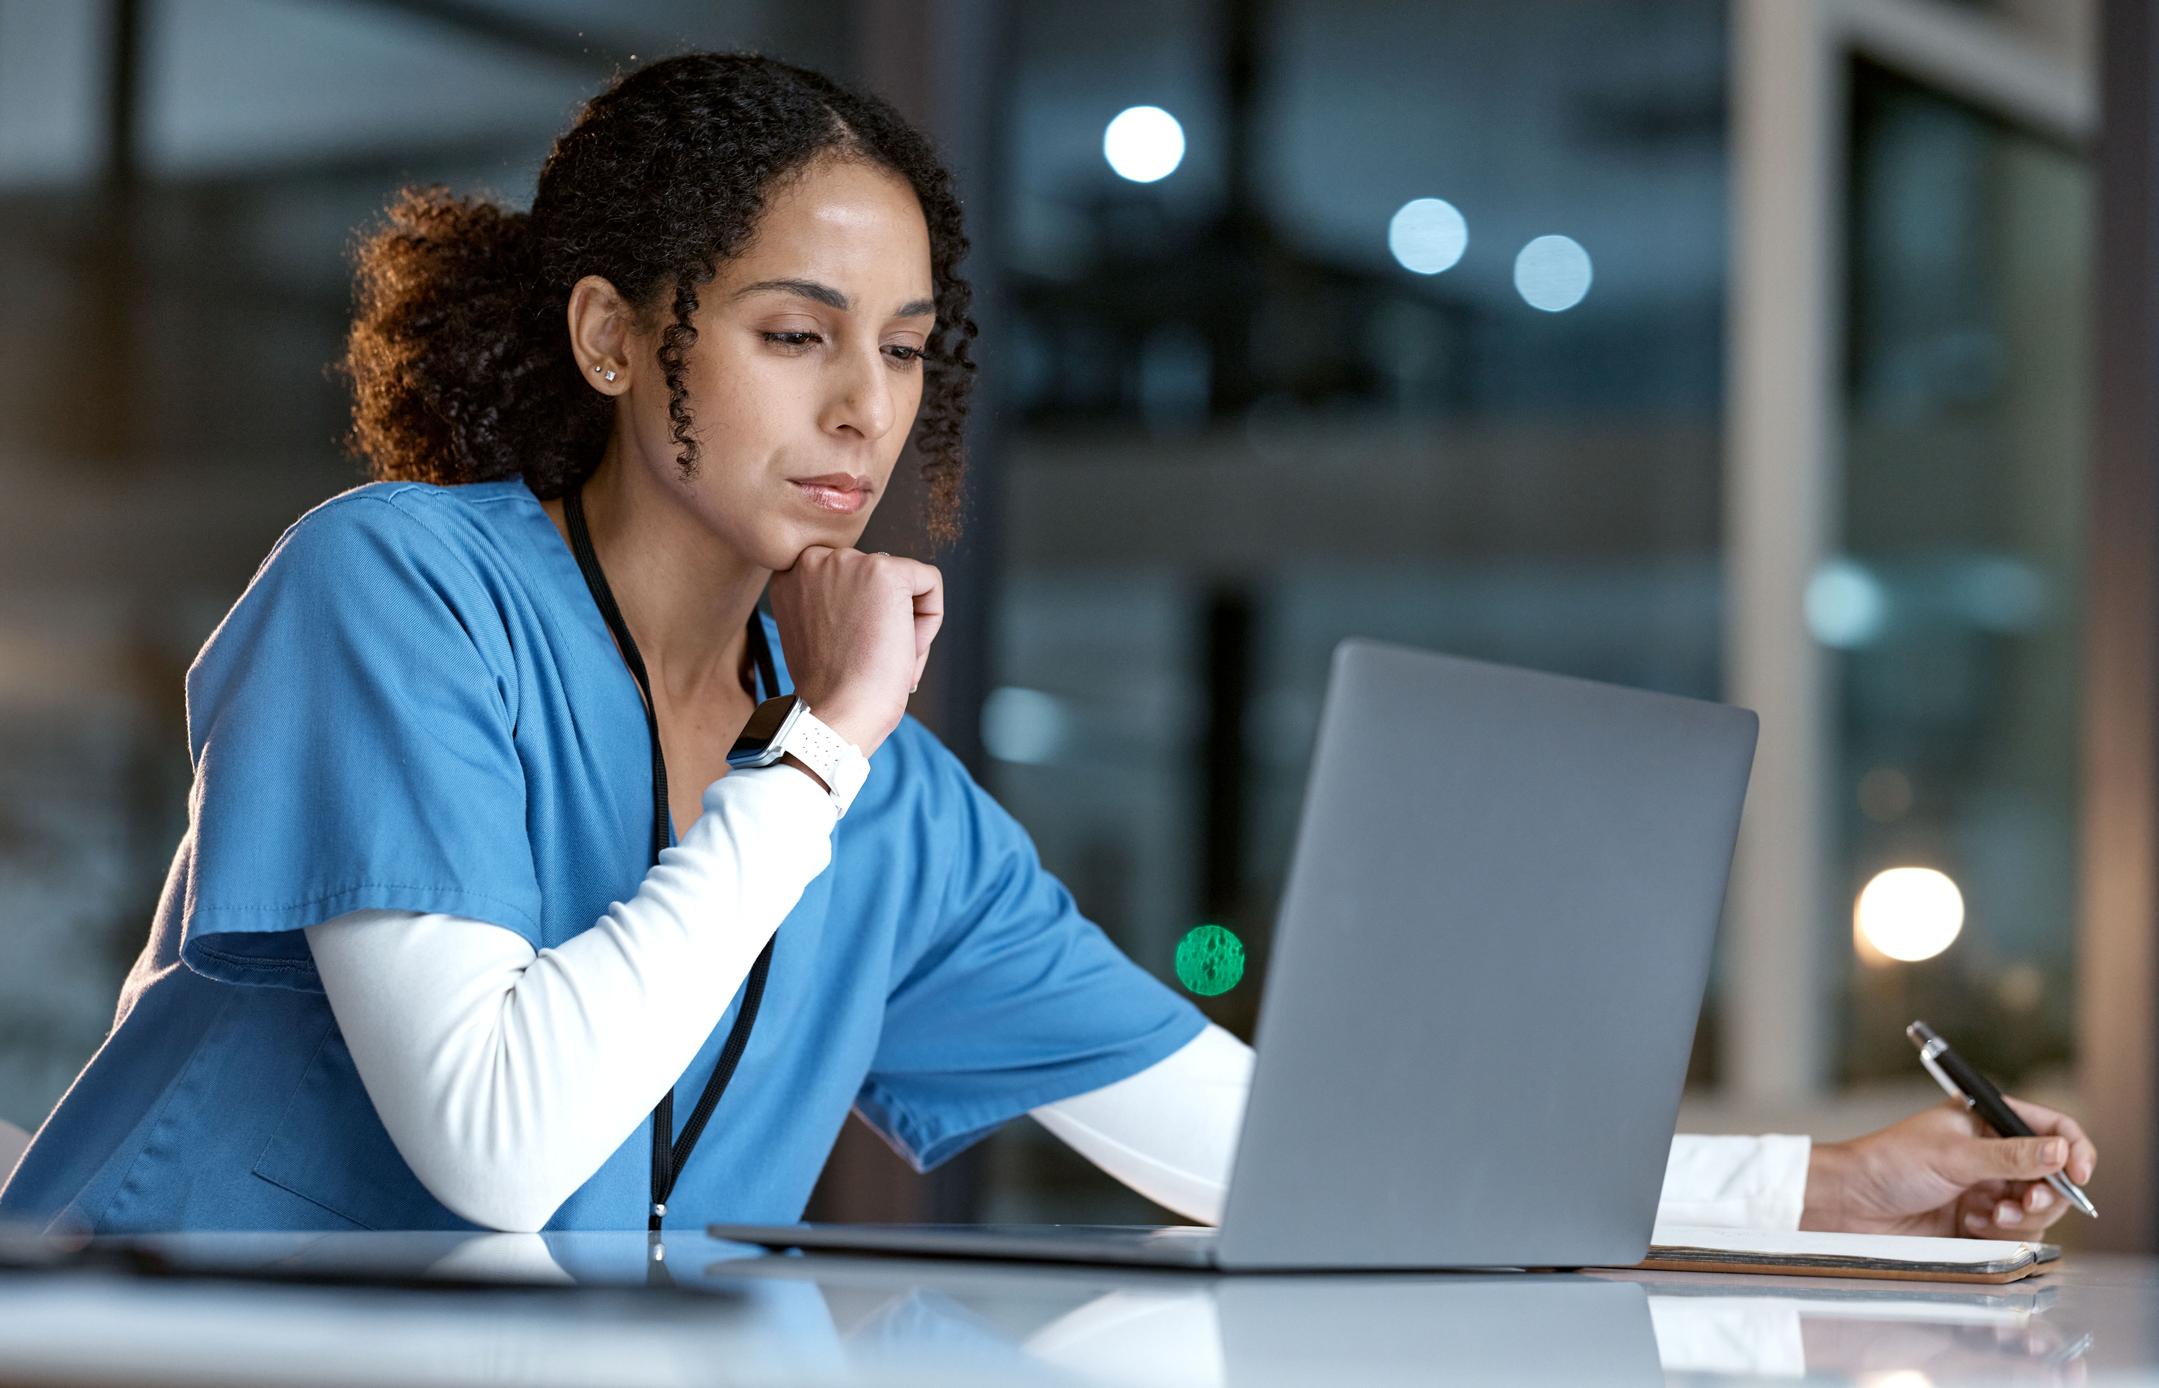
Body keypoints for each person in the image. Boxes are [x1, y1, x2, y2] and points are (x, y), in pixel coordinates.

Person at [0, 52, 2095, 1241]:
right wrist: (814, 754)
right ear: (618, 334)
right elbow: (497, 1143)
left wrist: (1834, 1183)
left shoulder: (891, 812)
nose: (862, 412)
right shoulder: (402, 590)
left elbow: (1274, 1152)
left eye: (903, 352)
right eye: (791, 333)